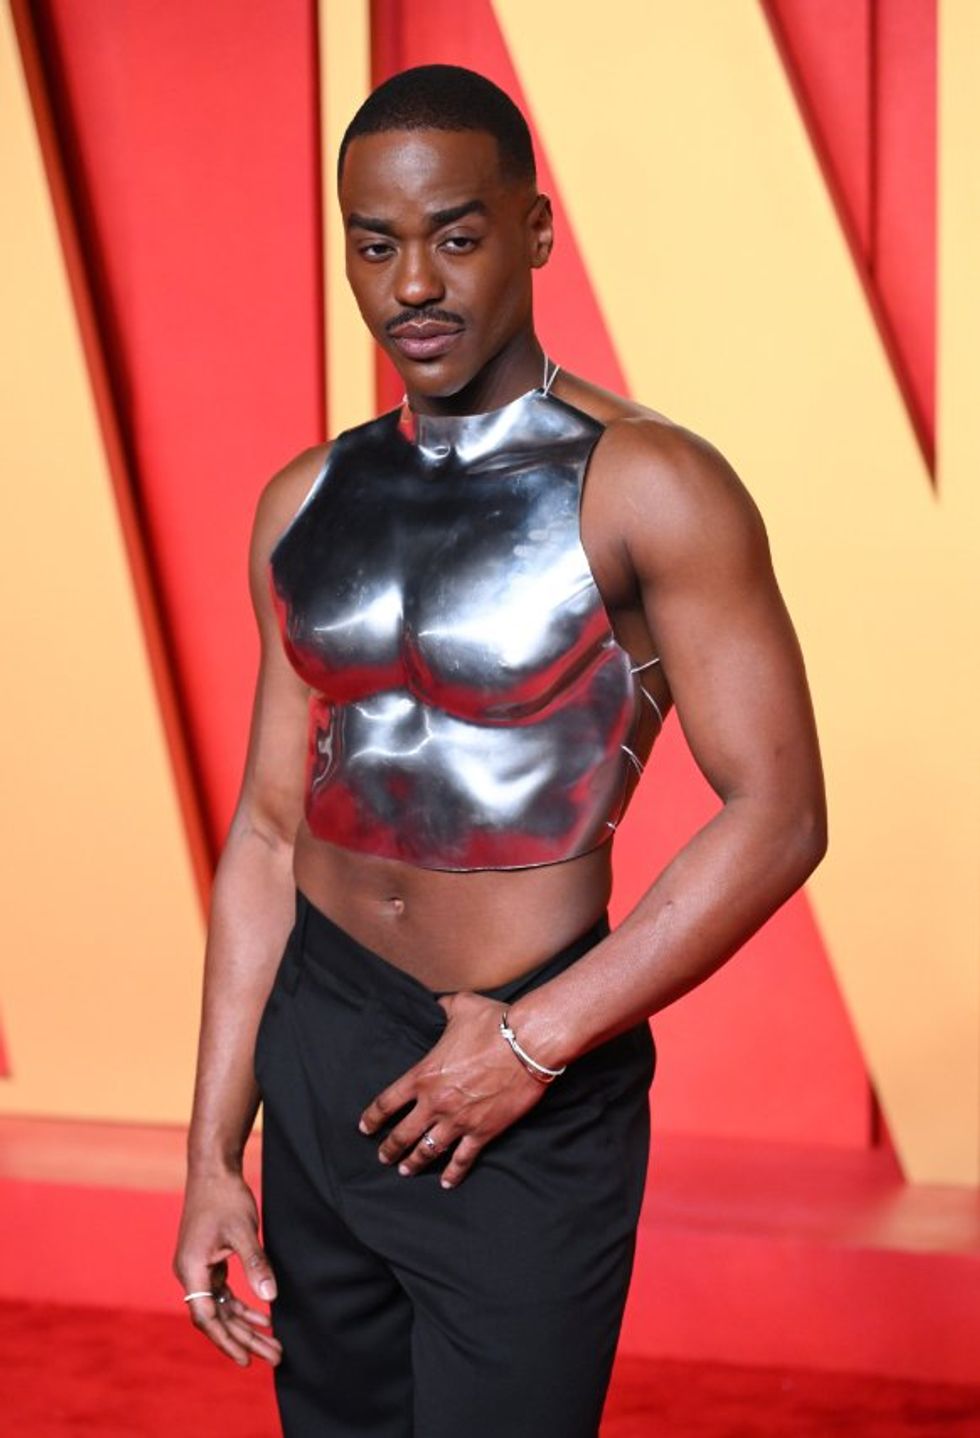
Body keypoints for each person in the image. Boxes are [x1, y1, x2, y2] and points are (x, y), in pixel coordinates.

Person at [173, 63, 827, 1438]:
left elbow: (778, 813)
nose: (413, 283)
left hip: (523, 1069)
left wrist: (536, 1039)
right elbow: (270, 833)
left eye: (457, 235)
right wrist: (211, 1148)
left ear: (534, 230)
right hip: (321, 1041)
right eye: (375, 245)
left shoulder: (651, 485)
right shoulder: (305, 500)